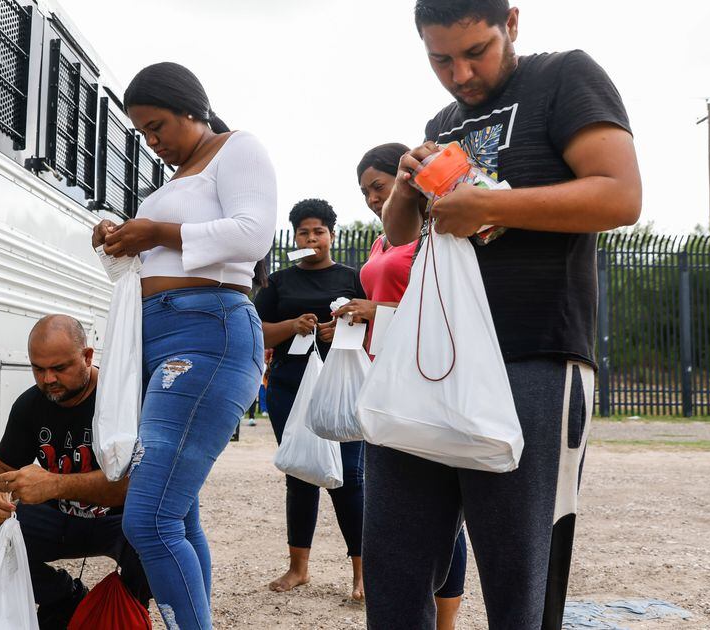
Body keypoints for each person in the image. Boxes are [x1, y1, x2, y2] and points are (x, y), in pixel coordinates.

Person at [368, 1, 642, 628]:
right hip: (433, 363)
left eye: (475, 52)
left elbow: (621, 195)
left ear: (511, 23)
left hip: (533, 358)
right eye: (440, 59)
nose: (459, 74)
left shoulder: (565, 77)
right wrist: (408, 190)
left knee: (518, 574)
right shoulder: (443, 120)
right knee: (395, 560)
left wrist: (495, 206)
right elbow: (404, 233)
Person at [92, 62, 276, 629]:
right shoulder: (171, 185)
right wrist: (119, 241)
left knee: (148, 519)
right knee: (178, 512)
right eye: (144, 133)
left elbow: (254, 234)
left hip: (208, 332)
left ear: (191, 108)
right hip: (157, 337)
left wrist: (158, 232)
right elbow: (155, 258)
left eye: (159, 126)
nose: (154, 142)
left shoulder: (238, 149)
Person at [335, 143, 467, 629]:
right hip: (383, 371)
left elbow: (442, 304)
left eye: (379, 186)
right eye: (365, 191)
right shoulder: (383, 239)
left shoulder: (435, 229)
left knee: (442, 504)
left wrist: (379, 311)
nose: (372, 198)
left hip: (427, 371)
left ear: (406, 179)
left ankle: (445, 621)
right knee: (393, 506)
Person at [0, 315, 150, 630]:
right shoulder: (31, 405)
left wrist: (54, 485)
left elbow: (136, 485)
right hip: (59, 521)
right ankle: (64, 598)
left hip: (118, 523)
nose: (47, 379)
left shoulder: (124, 400)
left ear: (87, 357)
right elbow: (2, 468)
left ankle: (122, 611)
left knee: (157, 538)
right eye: (38, 368)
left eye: (59, 368)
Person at [254, 198, 367, 601]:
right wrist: (290, 324)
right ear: (296, 236)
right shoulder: (279, 282)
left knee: (350, 478)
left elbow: (373, 323)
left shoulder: (353, 278)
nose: (311, 237)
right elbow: (258, 331)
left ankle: (362, 573)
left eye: (319, 231)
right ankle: (298, 568)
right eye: (304, 231)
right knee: (300, 472)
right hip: (289, 387)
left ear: (331, 235)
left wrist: (344, 329)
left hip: (341, 386)